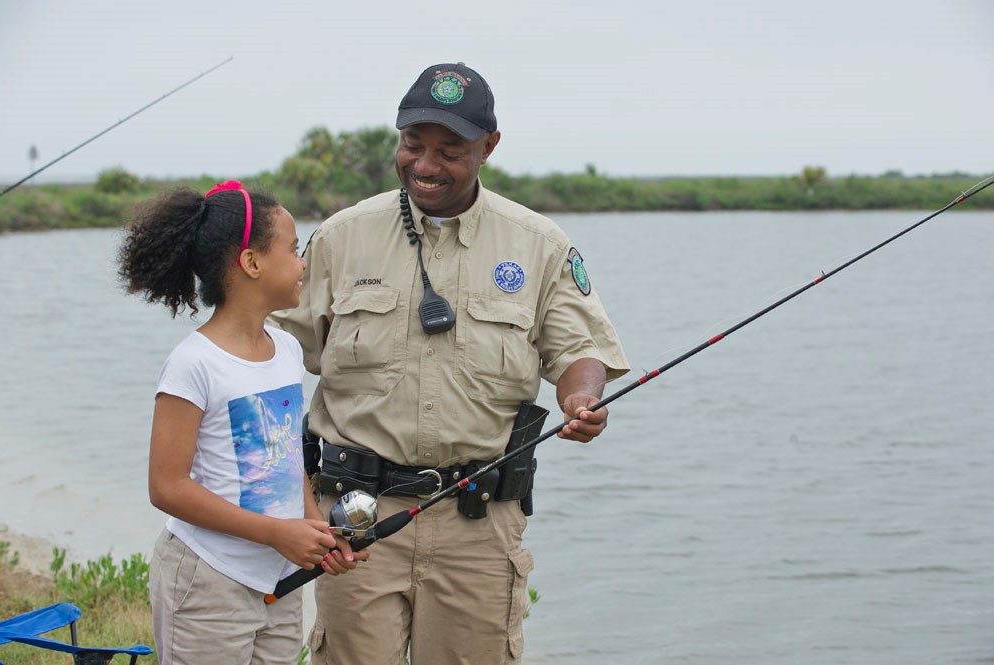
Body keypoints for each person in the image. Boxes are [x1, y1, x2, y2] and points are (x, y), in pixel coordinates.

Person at [270, 62, 630, 665]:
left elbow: (580, 349)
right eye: (413, 145)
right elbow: (273, 356)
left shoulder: (539, 245)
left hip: (480, 525)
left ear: (489, 147)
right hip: (354, 521)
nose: (426, 165)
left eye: (449, 150)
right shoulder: (340, 237)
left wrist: (580, 399)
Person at [118, 181, 368, 665]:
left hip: (278, 575)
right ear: (252, 263)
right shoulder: (194, 363)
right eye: (294, 250)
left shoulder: (288, 351)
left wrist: (315, 529)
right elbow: (166, 487)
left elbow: (284, 459)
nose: (303, 265)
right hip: (207, 578)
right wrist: (276, 533)